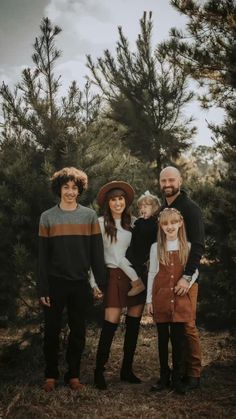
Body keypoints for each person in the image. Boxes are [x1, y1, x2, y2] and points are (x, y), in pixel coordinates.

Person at [37, 167, 106, 392]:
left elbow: (96, 254)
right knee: (52, 331)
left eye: (74, 188)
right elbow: (42, 257)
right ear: (58, 189)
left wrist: (100, 285)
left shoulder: (89, 216)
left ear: (79, 190)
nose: (69, 191)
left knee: (78, 331)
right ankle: (51, 375)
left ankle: (73, 375)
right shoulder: (47, 217)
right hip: (55, 283)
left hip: (80, 283)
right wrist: (43, 288)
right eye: (65, 187)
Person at [91, 181, 146, 390]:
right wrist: (93, 282)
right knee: (110, 325)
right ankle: (99, 371)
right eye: (113, 199)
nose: (117, 203)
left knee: (133, 326)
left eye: (121, 199)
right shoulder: (100, 223)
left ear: (126, 201)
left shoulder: (133, 223)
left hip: (135, 278)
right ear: (108, 203)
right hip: (113, 275)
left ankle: (127, 369)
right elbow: (93, 255)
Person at [159, 166, 205, 390]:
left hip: (186, 279)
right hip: (167, 281)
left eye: (171, 180)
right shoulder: (163, 209)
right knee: (175, 326)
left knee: (187, 325)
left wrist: (187, 277)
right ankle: (180, 371)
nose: (167, 184)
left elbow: (198, 246)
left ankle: (194, 373)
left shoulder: (190, 209)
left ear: (180, 181)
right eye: (163, 181)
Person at [146, 208, 198, 395]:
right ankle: (163, 377)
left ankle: (177, 378)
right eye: (165, 224)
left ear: (180, 223)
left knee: (178, 340)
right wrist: (149, 300)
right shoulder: (156, 248)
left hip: (179, 298)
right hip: (160, 299)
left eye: (173, 223)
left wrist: (187, 282)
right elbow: (152, 273)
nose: (170, 227)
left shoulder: (188, 246)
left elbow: (195, 270)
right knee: (162, 340)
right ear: (161, 226)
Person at [119, 190, 160, 296]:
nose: (142, 209)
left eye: (145, 207)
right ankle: (135, 283)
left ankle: (138, 284)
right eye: (140, 207)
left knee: (125, 262)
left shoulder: (154, 223)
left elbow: (153, 238)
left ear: (154, 208)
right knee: (122, 261)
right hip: (136, 249)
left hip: (143, 252)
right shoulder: (140, 222)